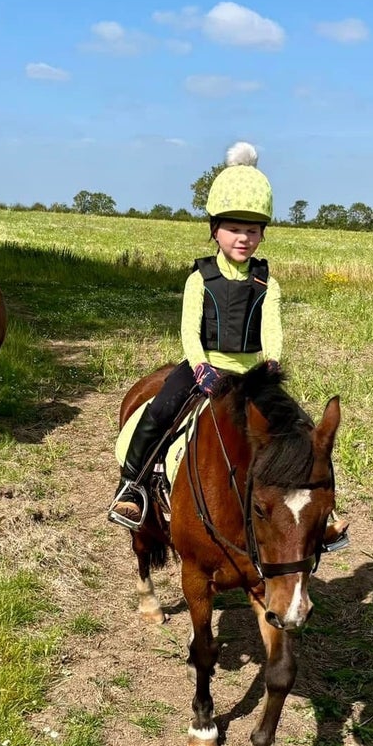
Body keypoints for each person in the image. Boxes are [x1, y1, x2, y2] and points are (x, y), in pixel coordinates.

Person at [110, 142, 285, 526]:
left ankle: (320, 512)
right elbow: (189, 329)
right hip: (203, 370)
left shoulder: (266, 282)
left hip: (251, 376)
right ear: (215, 230)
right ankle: (131, 486)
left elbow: (272, 329)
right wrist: (202, 366)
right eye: (234, 229)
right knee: (158, 412)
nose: (243, 238)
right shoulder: (199, 278)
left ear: (262, 234)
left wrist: (271, 362)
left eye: (252, 230)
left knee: (297, 430)